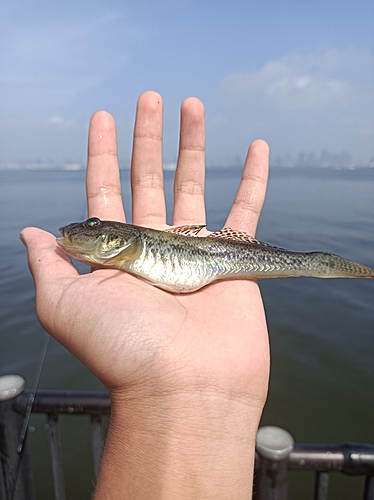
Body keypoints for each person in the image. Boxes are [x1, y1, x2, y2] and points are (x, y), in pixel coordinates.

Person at [21, 91, 270, 499]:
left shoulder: (127, 241)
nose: (82, 231)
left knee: (309, 261)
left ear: (116, 238)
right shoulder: (124, 245)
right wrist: (166, 390)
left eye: (94, 226)